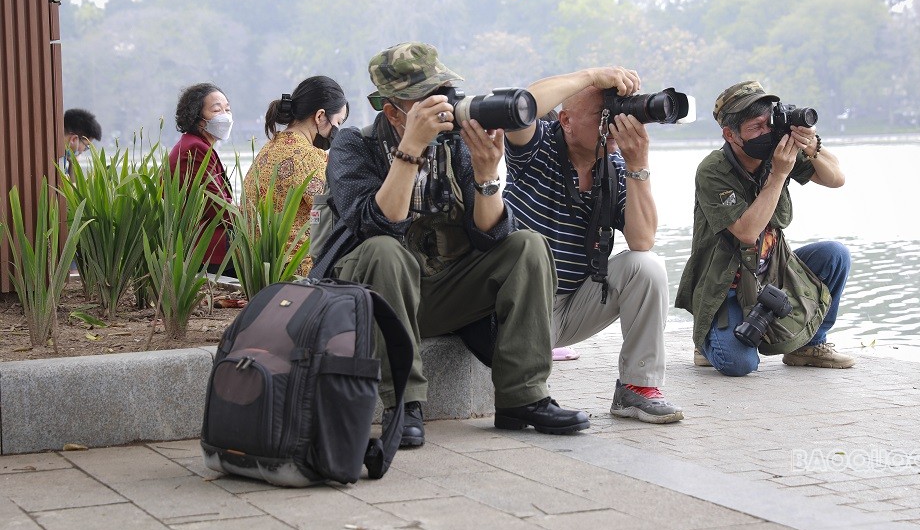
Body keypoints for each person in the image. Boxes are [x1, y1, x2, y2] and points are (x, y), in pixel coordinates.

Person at [310, 41, 590, 447]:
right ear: (393, 111)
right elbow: (376, 224)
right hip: (371, 298)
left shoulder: (453, 143)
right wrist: (411, 148)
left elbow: (490, 235)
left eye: (443, 93)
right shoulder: (354, 145)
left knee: (527, 246)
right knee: (385, 251)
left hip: (439, 291)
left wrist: (486, 173)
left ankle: (523, 398)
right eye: (425, 99)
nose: (441, 106)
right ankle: (403, 403)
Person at [504, 68, 683, 425]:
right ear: (566, 120)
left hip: (572, 308)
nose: (612, 125)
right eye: (603, 115)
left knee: (646, 266)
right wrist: (592, 76)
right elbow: (519, 105)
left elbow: (642, 240)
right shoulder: (538, 146)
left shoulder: (615, 167)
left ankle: (637, 388)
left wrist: (638, 164)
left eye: (616, 115)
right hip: (521, 310)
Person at [676, 80, 854, 377]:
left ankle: (809, 345)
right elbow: (747, 232)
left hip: (771, 269)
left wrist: (811, 145)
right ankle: (707, 339)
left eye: (768, 123)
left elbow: (836, 178)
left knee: (835, 255)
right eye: (755, 128)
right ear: (730, 134)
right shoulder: (713, 170)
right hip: (726, 283)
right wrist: (779, 175)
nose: (766, 132)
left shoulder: (776, 150)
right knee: (739, 365)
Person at [242, 76, 349, 277]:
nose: (336, 131)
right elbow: (339, 213)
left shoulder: (271, 146)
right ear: (320, 116)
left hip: (260, 271)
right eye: (337, 122)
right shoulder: (307, 157)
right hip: (298, 272)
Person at [168, 82, 236, 277]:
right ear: (197, 118)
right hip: (207, 246)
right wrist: (255, 217)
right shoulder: (195, 149)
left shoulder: (196, 144)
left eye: (227, 109)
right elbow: (216, 206)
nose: (225, 116)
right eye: (216, 110)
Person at [62, 108, 102, 174]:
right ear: (73, 139)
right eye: (86, 146)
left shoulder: (62, 157)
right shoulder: (57, 159)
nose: (83, 150)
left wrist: (73, 163)